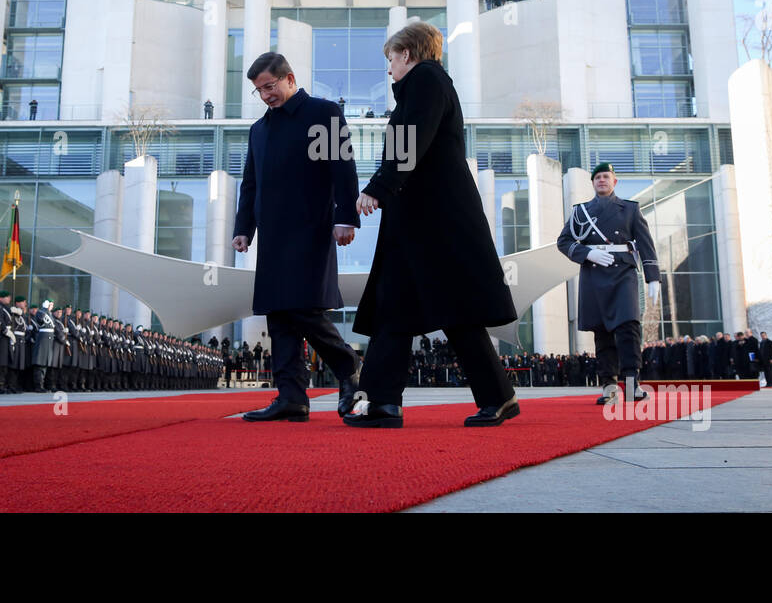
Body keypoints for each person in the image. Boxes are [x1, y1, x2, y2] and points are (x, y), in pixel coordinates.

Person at [346, 21, 520, 428]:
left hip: (436, 219)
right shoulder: (423, 85)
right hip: (421, 219)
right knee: (396, 307)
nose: (388, 69)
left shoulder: (425, 80)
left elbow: (411, 140)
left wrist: (378, 187)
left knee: (446, 308)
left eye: (390, 59)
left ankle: (493, 397)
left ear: (406, 54)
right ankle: (383, 402)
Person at [233, 51, 363, 423]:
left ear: (289, 78)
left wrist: (346, 217)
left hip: (311, 226)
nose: (266, 96)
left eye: (270, 86)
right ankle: (291, 396)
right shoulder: (259, 129)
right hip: (272, 233)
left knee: (302, 305)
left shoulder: (322, 114)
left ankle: (349, 365)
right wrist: (244, 229)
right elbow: (251, 184)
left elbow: (342, 165)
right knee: (278, 312)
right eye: (259, 91)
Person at [557, 162, 661, 405]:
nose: (602, 180)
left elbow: (646, 243)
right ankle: (609, 387)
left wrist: (653, 276)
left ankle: (633, 384)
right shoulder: (580, 212)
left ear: (615, 182)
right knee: (602, 333)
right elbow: (563, 242)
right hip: (594, 272)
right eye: (598, 177)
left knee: (628, 329)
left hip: (622, 272)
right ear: (592, 183)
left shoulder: (630, 209)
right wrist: (587, 254)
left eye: (606, 177)